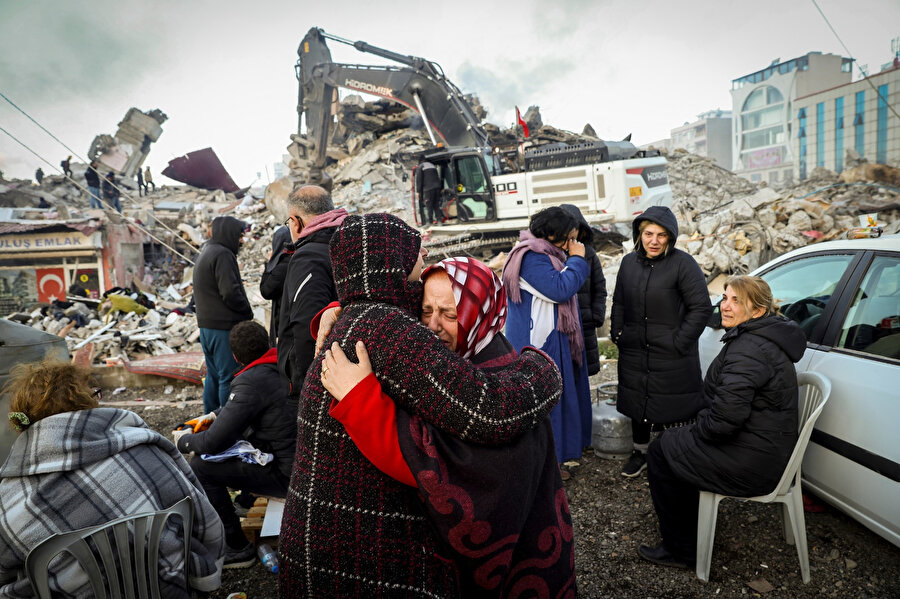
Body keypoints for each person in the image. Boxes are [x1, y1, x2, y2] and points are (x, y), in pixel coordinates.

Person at [278, 213, 562, 598]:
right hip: (359, 555)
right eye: (415, 253)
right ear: (392, 261)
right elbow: (487, 412)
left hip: (319, 541)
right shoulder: (389, 329)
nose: (432, 324)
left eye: (451, 313)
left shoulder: (359, 319)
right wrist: (544, 368)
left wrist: (333, 308)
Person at [0, 361, 224, 597]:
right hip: (168, 590)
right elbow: (205, 524)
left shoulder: (7, 503)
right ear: (85, 403)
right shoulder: (148, 451)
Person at [640, 276, 806, 569]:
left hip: (755, 462)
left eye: (736, 301)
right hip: (763, 447)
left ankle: (682, 551)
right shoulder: (759, 338)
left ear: (757, 311)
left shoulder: (750, 349)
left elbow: (724, 422)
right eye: (725, 298)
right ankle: (692, 530)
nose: (725, 307)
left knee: (660, 451)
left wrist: (696, 427)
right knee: (675, 442)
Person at [175, 321, 295, 569]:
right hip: (298, 464)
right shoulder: (279, 366)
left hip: (286, 477)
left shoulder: (250, 381)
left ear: (234, 356)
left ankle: (237, 546)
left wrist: (183, 441)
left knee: (200, 466)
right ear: (267, 345)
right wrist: (216, 415)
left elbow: (213, 441)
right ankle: (246, 503)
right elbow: (242, 409)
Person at [611, 205, 712, 478]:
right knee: (637, 400)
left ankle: (673, 455)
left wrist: (680, 341)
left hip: (671, 351)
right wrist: (618, 334)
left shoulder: (683, 264)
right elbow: (619, 301)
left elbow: (701, 307)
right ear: (639, 234)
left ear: (671, 238)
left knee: (674, 404)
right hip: (634, 347)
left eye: (661, 235)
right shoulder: (628, 263)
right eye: (648, 234)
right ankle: (639, 452)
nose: (654, 241)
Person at [502, 206, 592, 472]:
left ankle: (558, 458)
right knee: (547, 402)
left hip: (552, 337)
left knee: (558, 399)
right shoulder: (531, 257)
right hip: (539, 342)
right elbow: (560, 289)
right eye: (568, 239)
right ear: (553, 235)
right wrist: (577, 260)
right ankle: (547, 463)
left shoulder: (545, 253)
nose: (572, 245)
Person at [276, 185, 347, 411]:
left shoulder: (308, 257)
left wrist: (308, 389)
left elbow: (307, 327)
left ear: (295, 221)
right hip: (345, 372)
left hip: (319, 383)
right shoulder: (347, 242)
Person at [193, 215, 252, 412]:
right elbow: (230, 292)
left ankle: (210, 418)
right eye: (239, 236)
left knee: (214, 375)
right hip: (222, 328)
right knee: (228, 376)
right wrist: (247, 312)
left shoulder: (207, 251)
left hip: (206, 328)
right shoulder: (223, 254)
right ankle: (228, 425)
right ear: (229, 234)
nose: (241, 241)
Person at [561, 204, 609, 376]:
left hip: (585, 323)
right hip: (563, 327)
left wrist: (596, 315)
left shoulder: (588, 254)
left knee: (583, 373)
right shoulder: (553, 255)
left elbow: (600, 288)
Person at [259, 225, 292, 345]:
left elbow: (266, 290)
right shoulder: (298, 259)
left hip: (285, 326)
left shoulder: (282, 266)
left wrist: (269, 265)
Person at [415, 159, 441, 225]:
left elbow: (419, 180)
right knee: (436, 205)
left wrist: (418, 192)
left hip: (429, 189)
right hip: (437, 188)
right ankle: (439, 221)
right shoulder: (432, 165)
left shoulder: (421, 166)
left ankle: (430, 222)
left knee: (429, 205)